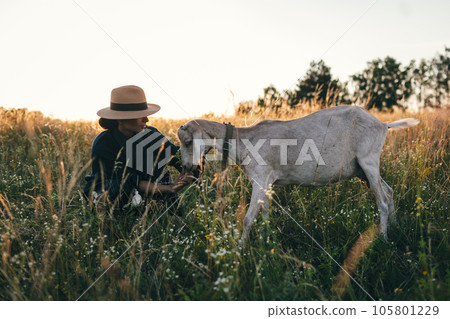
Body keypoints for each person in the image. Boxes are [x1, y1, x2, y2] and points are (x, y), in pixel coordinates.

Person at [83, 85, 194, 210]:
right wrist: (170, 188)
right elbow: (130, 182)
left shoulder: (150, 134)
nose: (146, 119)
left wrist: (210, 143)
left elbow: (177, 157)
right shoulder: (104, 144)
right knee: (120, 191)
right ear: (120, 119)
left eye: (146, 114)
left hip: (150, 188)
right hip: (116, 191)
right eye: (140, 115)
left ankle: (158, 206)